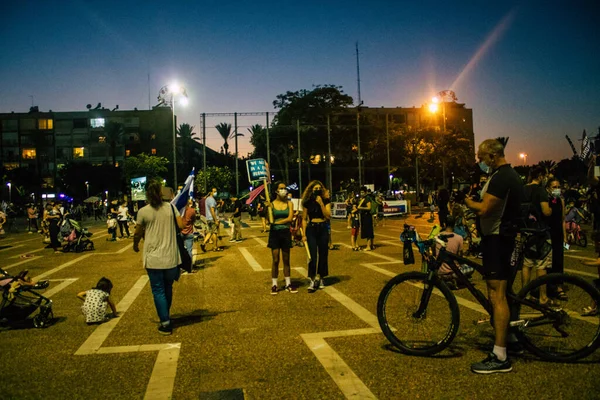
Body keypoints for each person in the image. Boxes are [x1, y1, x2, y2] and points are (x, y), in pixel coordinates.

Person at [464, 138, 523, 374]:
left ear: (492, 156)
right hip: (502, 238)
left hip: (498, 239)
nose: (479, 161)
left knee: (496, 294)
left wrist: (465, 201)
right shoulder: (504, 175)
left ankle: (500, 356)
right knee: (504, 293)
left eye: (480, 157)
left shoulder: (502, 177)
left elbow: (485, 208)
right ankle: (512, 339)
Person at [133, 182, 183, 335]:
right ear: (161, 194)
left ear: (147, 195)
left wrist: (135, 245)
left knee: (158, 290)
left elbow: (137, 232)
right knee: (167, 288)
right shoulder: (171, 208)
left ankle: (165, 322)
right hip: (171, 256)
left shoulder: (143, 211)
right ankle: (165, 315)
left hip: (153, 258)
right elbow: (180, 226)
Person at [521, 166, 553, 305]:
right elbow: (546, 212)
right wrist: (552, 208)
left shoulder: (522, 189)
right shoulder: (540, 191)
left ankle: (524, 294)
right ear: (540, 176)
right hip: (540, 232)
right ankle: (543, 297)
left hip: (526, 230)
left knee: (527, 264)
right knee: (541, 265)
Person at [266, 182, 297, 294]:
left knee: (286, 259)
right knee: (275, 259)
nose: (284, 190)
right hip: (274, 233)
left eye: (285, 188)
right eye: (281, 188)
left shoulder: (289, 204)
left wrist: (277, 222)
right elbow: (269, 220)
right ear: (276, 191)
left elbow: (290, 218)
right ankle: (274, 284)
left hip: (285, 232)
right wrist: (267, 209)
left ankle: (288, 283)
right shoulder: (272, 204)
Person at [301, 180, 331, 292]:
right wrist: (304, 234)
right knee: (312, 255)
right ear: (311, 189)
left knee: (323, 253)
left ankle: (321, 277)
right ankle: (312, 278)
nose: (318, 190)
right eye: (315, 188)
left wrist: (321, 204)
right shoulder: (307, 202)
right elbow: (304, 219)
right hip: (311, 228)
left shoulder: (326, 200)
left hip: (323, 227)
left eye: (319, 188)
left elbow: (328, 216)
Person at [546, 178, 567, 300]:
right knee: (549, 261)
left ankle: (559, 286)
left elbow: (563, 219)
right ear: (548, 188)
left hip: (558, 234)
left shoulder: (561, 201)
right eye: (554, 187)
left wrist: (565, 236)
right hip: (549, 233)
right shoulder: (547, 201)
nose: (557, 189)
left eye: (558, 186)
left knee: (559, 260)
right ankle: (549, 286)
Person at [201, 188, 223, 252]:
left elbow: (213, 208)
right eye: (214, 191)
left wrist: (219, 205)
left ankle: (203, 243)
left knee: (210, 232)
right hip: (212, 218)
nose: (215, 193)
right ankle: (215, 247)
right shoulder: (212, 200)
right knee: (214, 233)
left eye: (216, 191)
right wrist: (215, 219)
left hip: (208, 218)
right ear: (210, 192)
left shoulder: (207, 199)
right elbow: (212, 210)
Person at [357, 187, 374, 251]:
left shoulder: (367, 198)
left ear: (366, 192)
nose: (361, 193)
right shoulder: (363, 198)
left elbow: (369, 207)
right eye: (361, 192)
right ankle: (371, 245)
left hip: (367, 216)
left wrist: (360, 207)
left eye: (363, 192)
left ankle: (368, 246)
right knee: (368, 231)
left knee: (368, 231)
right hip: (364, 216)